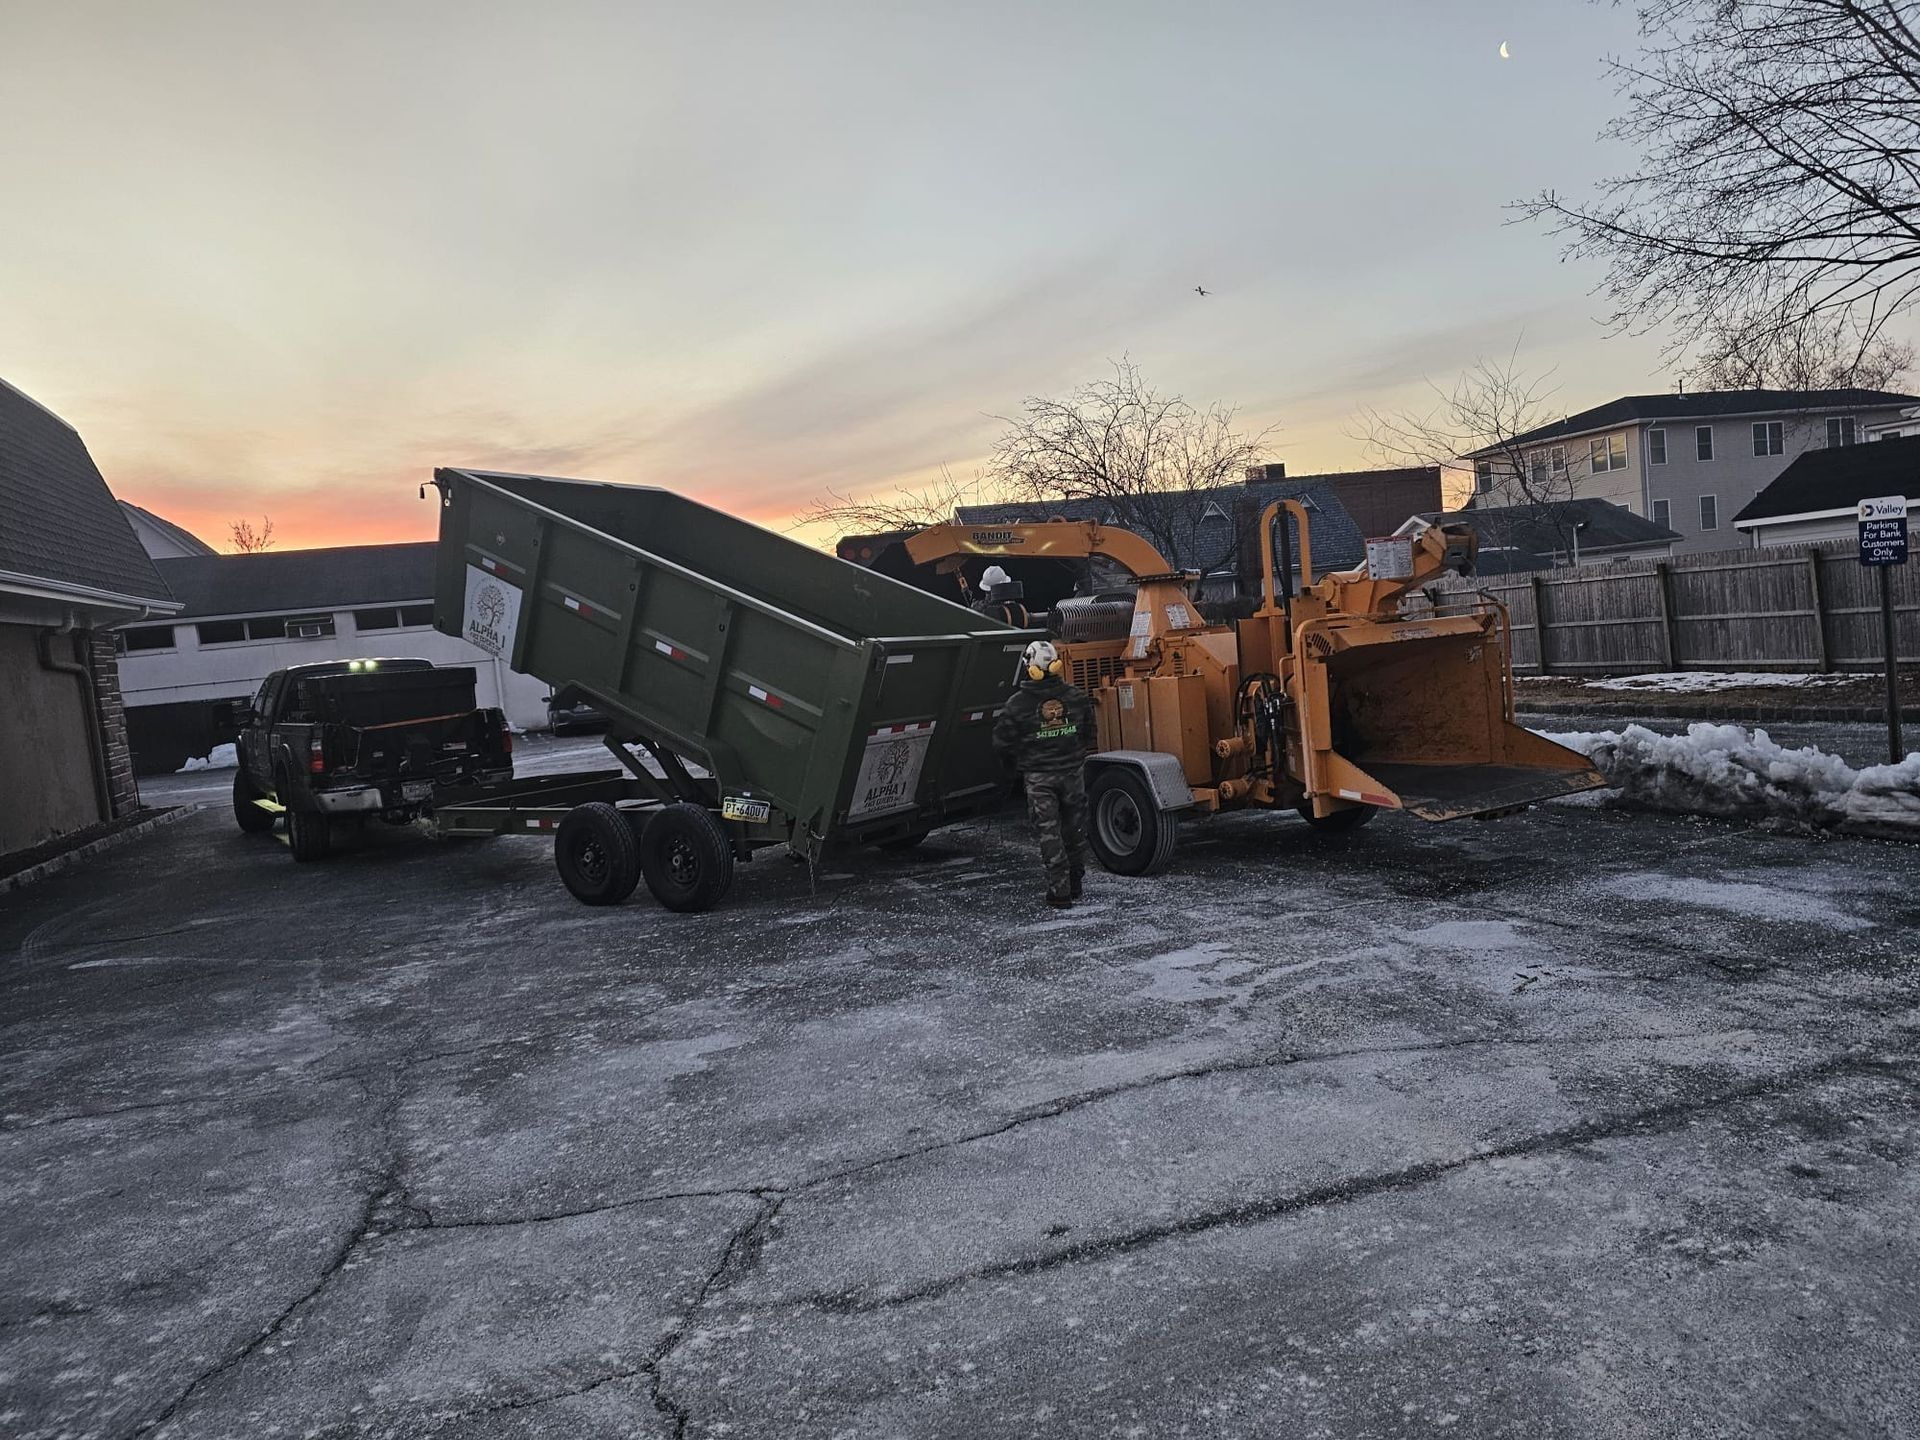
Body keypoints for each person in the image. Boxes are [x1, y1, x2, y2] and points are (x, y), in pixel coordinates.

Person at [993, 639, 1096, 907]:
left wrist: (1013, 767)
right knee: (1074, 830)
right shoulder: (1076, 696)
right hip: (1073, 773)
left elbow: (1002, 743)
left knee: (1050, 833)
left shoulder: (1017, 704)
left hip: (1039, 779)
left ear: (1030, 668)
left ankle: (1060, 892)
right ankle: (1075, 883)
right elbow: (1089, 733)